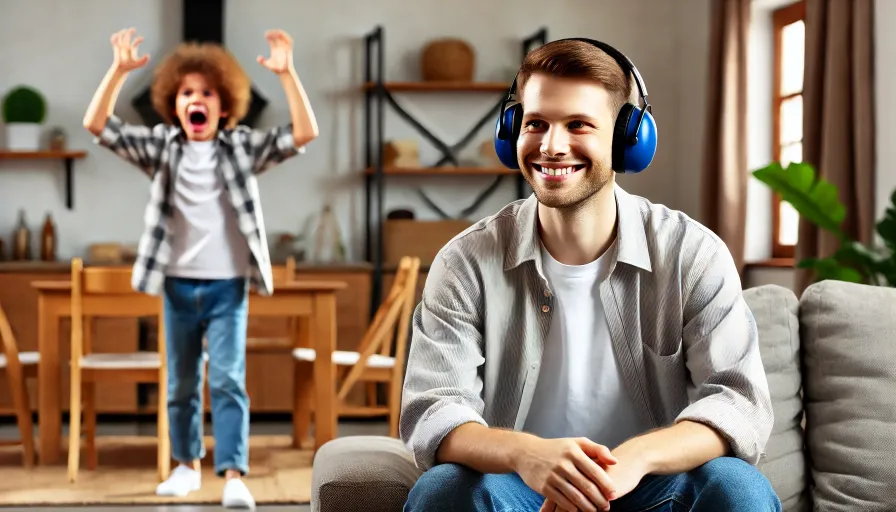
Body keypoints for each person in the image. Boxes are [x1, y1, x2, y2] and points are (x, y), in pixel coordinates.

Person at [399, 38, 779, 512]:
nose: (552, 146)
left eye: (578, 125)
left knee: (736, 486)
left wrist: (634, 459)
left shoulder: (693, 254)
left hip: (651, 489)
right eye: (535, 123)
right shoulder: (465, 262)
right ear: (511, 131)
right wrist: (526, 453)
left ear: (628, 139)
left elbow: (738, 403)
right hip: (519, 489)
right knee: (445, 490)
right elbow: (433, 409)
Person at [83, 27, 318, 509]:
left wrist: (288, 73)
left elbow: (303, 133)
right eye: (188, 92)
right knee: (182, 383)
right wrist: (118, 71)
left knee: (227, 380)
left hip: (227, 286)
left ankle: (233, 474)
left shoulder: (240, 148)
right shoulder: (162, 148)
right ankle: (186, 468)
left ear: (224, 105)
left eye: (207, 93)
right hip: (176, 286)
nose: (197, 99)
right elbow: (97, 125)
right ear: (175, 104)